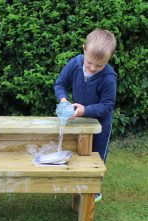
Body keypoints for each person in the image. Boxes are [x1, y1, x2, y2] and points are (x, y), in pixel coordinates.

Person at [54, 29, 117, 202]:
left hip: (100, 124)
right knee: (78, 152)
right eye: (89, 63)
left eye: (99, 65)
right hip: (78, 119)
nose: (93, 68)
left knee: (96, 155)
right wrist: (63, 99)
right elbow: (60, 83)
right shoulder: (75, 64)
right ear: (84, 50)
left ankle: (94, 190)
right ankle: (77, 182)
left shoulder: (109, 77)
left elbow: (107, 105)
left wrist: (85, 110)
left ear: (108, 60)